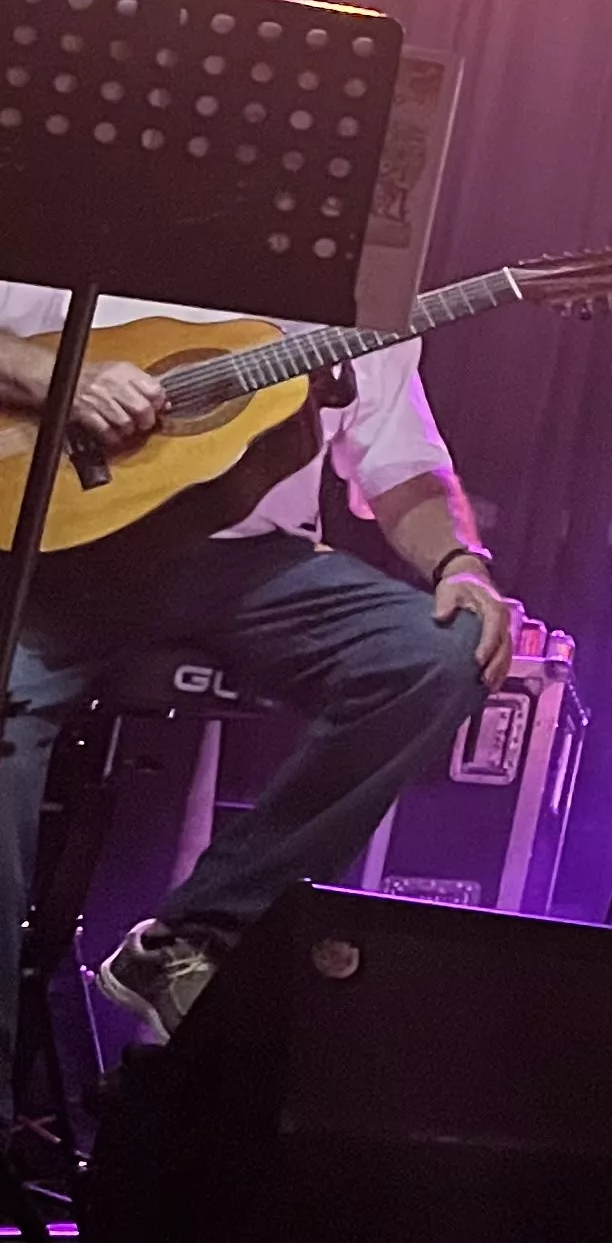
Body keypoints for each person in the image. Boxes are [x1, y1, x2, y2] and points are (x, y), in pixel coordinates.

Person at [0, 290, 511, 1068]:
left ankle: (200, 932)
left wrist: (462, 561)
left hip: (246, 564)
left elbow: (402, 464)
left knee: (439, 652)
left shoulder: (356, 298)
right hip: (55, 555)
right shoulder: (116, 216)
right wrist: (52, 372)